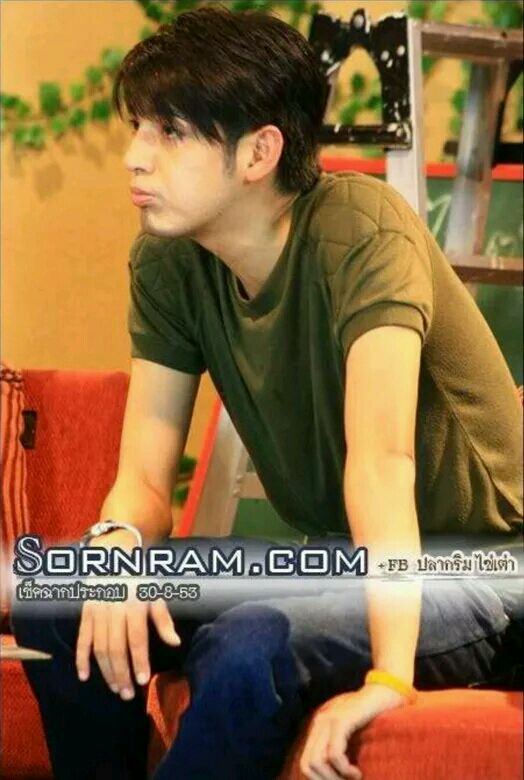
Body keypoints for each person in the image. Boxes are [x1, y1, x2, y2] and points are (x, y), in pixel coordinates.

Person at [11, 6, 523, 780]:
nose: (135, 157)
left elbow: (381, 464)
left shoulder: (363, 232)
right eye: (138, 127)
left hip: (476, 572)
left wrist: (388, 680)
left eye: (169, 132)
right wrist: (115, 548)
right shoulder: (169, 260)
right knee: (59, 594)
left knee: (249, 643)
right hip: (332, 561)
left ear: (259, 151)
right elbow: (144, 480)